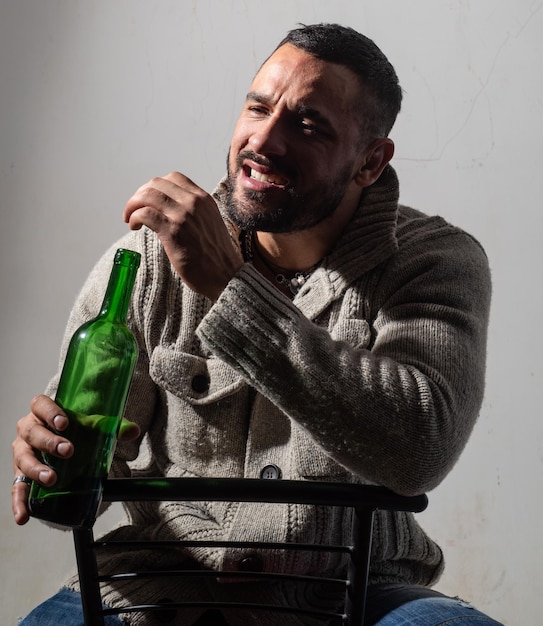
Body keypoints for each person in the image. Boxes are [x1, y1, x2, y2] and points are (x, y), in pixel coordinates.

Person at [12, 23, 501, 626]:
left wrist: (228, 288)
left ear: (370, 161)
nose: (264, 141)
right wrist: (51, 456)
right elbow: (78, 481)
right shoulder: (143, 259)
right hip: (159, 585)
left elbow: (419, 450)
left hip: (356, 593)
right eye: (258, 107)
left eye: (308, 125)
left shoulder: (435, 261)